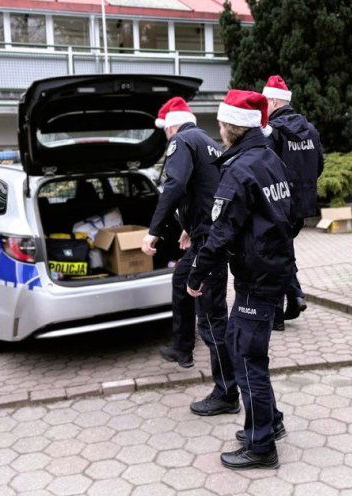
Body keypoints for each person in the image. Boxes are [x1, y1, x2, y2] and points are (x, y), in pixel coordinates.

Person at [187, 89, 294, 470]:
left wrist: (197, 272)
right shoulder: (269, 159)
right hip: (269, 271)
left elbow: (221, 231)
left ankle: (261, 445)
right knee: (239, 344)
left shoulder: (241, 169)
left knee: (248, 358)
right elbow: (290, 215)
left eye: (220, 122)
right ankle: (269, 422)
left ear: (234, 125)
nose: (217, 128)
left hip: (257, 277)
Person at [140, 98, 239, 416]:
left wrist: (154, 230)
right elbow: (206, 189)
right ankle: (182, 348)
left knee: (212, 318)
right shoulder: (209, 141)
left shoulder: (181, 140)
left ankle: (226, 392)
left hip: (209, 241)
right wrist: (188, 228)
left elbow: (175, 185)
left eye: (165, 131)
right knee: (182, 278)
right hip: (205, 234)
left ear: (169, 125)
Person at [262, 75, 324, 331]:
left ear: (275, 101)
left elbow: (265, 168)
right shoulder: (310, 129)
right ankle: (295, 296)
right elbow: (319, 166)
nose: (263, 107)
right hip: (303, 205)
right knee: (283, 250)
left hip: (279, 204)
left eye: (265, 101)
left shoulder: (272, 131)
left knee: (274, 255)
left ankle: (277, 316)